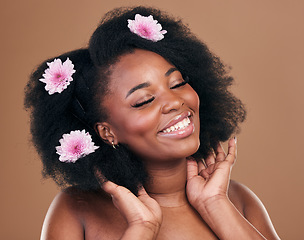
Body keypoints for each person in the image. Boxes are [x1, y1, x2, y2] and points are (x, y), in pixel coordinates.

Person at [25, 6, 280, 240]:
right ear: (107, 132)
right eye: (144, 100)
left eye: (178, 83)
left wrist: (215, 205)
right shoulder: (76, 209)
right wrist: (141, 228)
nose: (174, 102)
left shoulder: (238, 200)